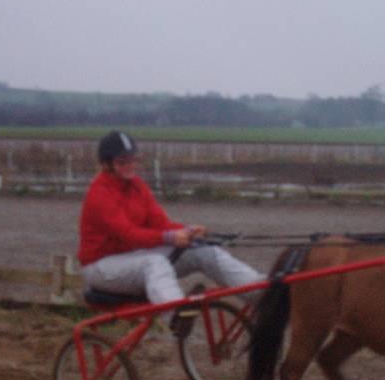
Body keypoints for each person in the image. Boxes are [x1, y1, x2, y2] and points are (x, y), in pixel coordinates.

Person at [77, 131, 263, 324]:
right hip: (101, 267)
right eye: (122, 162)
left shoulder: (137, 186)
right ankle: (175, 316)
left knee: (202, 250)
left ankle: (256, 291)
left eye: (133, 160)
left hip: (132, 257)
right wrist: (170, 237)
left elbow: (160, 223)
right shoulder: (100, 194)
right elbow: (128, 234)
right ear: (107, 165)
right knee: (154, 263)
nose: (130, 166)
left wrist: (188, 231)